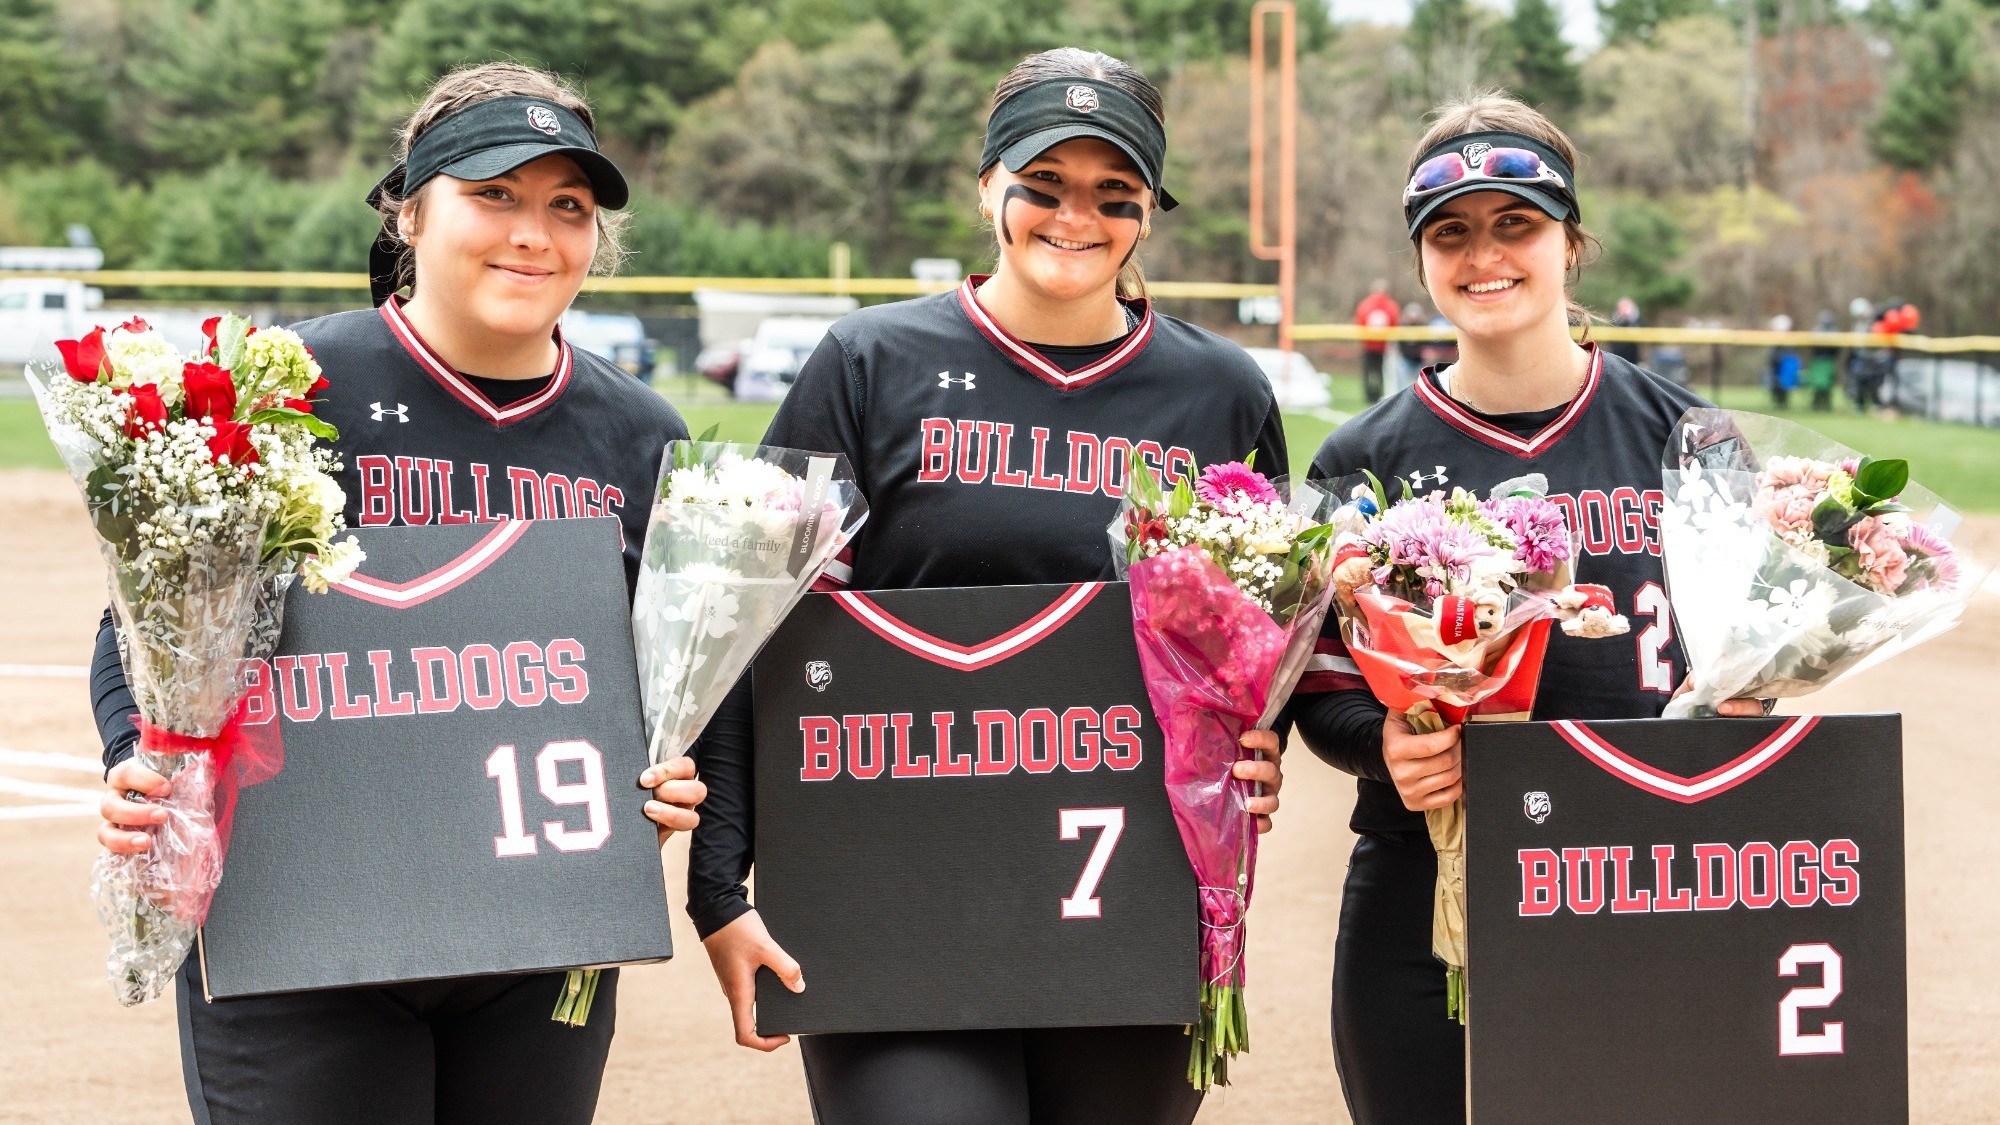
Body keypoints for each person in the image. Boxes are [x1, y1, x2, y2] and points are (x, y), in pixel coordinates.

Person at [88, 62, 707, 1125]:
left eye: (568, 206)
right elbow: (144, 626)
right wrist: (140, 761)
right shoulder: (288, 387)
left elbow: (670, 682)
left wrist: (661, 772)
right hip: (301, 921)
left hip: (537, 932)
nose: (533, 233)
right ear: (410, 212)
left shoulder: (640, 433)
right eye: (494, 195)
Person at [687, 48, 1288, 1125]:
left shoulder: (1219, 391)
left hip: (1128, 895)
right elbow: (742, 629)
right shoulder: (867, 360)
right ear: (984, 188)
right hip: (885, 884)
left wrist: (1260, 737)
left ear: (1148, 212)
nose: (1075, 216)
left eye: (1114, 194)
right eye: (1041, 184)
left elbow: (1259, 641)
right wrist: (721, 889)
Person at [1281, 90, 1767, 1125]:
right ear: (1417, 258)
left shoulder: (1690, 435)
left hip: (1649, 873)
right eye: (1447, 233)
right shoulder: (1357, 458)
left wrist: (1752, 704)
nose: (1481, 255)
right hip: (1427, 882)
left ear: (1568, 241)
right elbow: (1313, 683)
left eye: (1515, 224)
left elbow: (1765, 656)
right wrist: (1381, 745)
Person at [1355, 278, 1400, 403]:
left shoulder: (1364, 304)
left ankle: (1369, 396)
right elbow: (1394, 324)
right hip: (1384, 347)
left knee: (1368, 372)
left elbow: (1359, 322)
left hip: (1368, 345)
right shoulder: (1391, 306)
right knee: (1381, 373)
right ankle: (1379, 395)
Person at [1806, 310, 1839, 411]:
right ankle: (1816, 404)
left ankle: (1826, 405)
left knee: (1827, 385)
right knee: (1817, 385)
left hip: (1828, 361)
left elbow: (1837, 349)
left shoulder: (1834, 331)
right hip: (1818, 361)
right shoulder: (1816, 331)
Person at [1765, 313, 1796, 408]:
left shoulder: (1788, 343)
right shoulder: (1775, 342)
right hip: (1775, 369)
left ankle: (1782, 402)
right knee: (1775, 383)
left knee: (1783, 384)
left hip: (1783, 370)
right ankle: (1778, 401)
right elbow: (1771, 358)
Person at [1608, 296, 1642, 366]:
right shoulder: (1613, 323)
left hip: (1634, 360)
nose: (1624, 310)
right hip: (1618, 360)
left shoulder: (1639, 322)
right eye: (1622, 307)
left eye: (1627, 307)